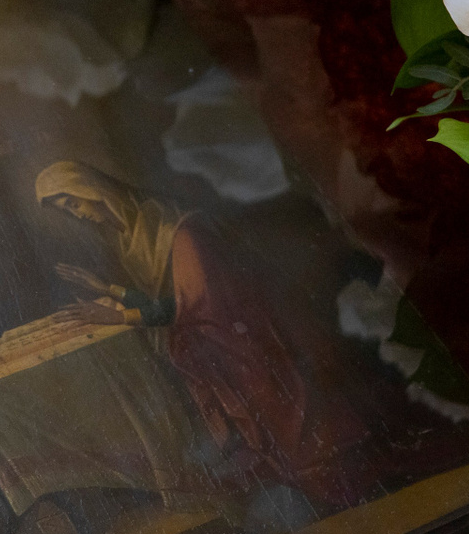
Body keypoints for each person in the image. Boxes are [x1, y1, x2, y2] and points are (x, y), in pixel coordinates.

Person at [36, 160, 370, 509]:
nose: (77, 214)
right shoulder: (131, 234)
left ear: (92, 189)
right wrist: (110, 289)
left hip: (240, 332)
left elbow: (192, 303)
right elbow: (165, 298)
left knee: (290, 433)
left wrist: (120, 316)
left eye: (73, 203)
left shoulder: (177, 230)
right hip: (211, 333)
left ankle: (312, 474)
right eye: (67, 211)